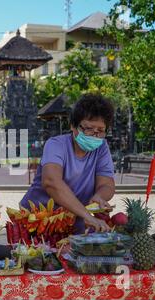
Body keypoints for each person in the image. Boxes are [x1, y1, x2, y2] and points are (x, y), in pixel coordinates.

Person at [20, 94, 115, 234]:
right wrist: (87, 215)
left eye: (100, 130)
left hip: (74, 221)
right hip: (38, 220)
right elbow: (51, 182)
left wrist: (99, 196)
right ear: (73, 126)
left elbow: (107, 184)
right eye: (89, 129)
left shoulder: (102, 148)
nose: (95, 135)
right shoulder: (56, 145)